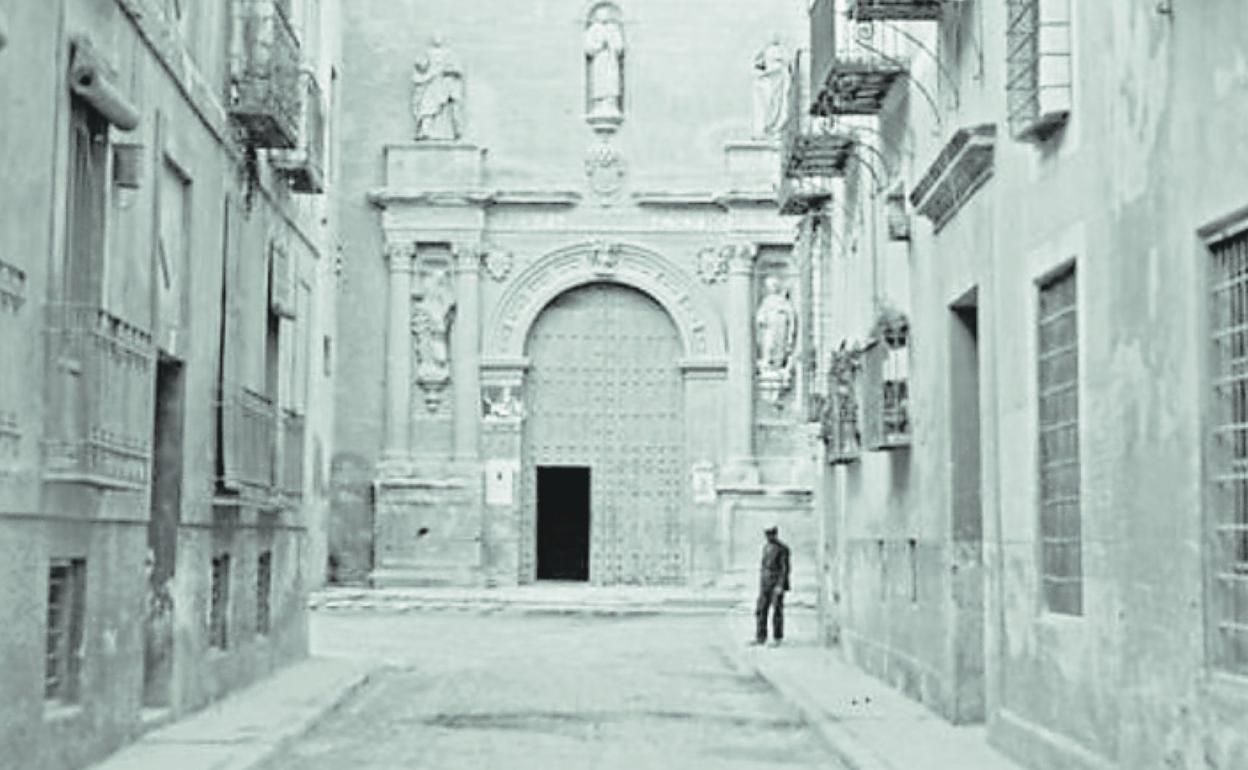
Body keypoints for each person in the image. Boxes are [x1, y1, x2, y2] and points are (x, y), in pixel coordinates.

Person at [411, 34, 464, 140]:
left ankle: (439, 131)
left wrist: (449, 72)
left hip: (443, 85)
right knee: (427, 106)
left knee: (432, 105)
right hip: (433, 83)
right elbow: (421, 66)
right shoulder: (428, 53)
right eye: (435, 37)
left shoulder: (448, 54)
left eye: (439, 37)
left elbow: (458, 70)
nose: (437, 39)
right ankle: (425, 130)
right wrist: (421, 68)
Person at [752, 525, 791, 647]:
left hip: (776, 584)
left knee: (777, 611)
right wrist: (762, 584)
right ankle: (761, 637)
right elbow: (764, 567)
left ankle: (777, 638)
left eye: (771, 534)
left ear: (775, 534)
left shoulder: (783, 549)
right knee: (761, 610)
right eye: (767, 534)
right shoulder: (766, 548)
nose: (768, 537)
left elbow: (785, 569)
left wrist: (780, 585)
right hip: (765, 584)